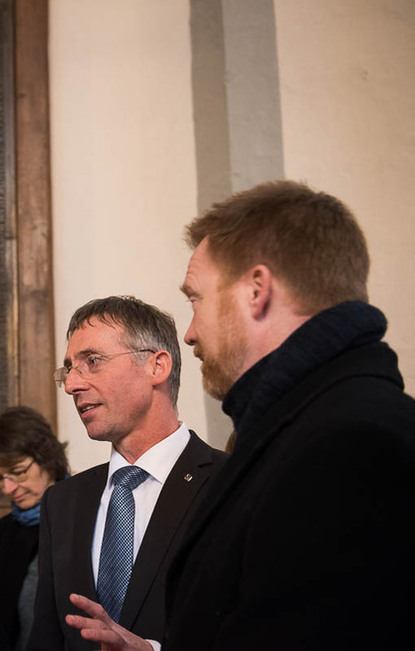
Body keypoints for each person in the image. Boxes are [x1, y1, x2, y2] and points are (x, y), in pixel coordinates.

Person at [67, 181, 415, 650]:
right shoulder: (298, 430)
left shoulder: (350, 445)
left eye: (196, 299)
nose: (188, 334)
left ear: (256, 291)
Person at [28, 296, 227, 650]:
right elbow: (47, 638)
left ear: (157, 366)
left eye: (92, 361)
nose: (72, 384)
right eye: (69, 370)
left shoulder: (229, 484)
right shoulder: (62, 502)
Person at [0, 406, 69, 650]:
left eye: (17, 473)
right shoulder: (0, 534)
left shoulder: (86, 514)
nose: (8, 489)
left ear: (47, 460)